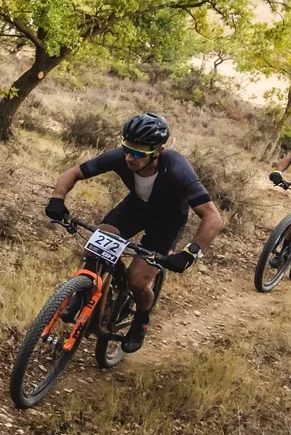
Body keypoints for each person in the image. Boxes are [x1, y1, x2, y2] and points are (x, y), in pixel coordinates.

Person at [43, 113, 223, 354]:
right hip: (135, 208)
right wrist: (57, 199)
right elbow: (73, 173)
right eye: (127, 149)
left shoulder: (177, 168)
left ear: (158, 151)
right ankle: (85, 290)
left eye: (138, 153)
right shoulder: (120, 157)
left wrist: (190, 253)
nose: (129, 157)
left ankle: (141, 320)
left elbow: (213, 217)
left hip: (167, 222)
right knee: (94, 249)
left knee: (137, 281)